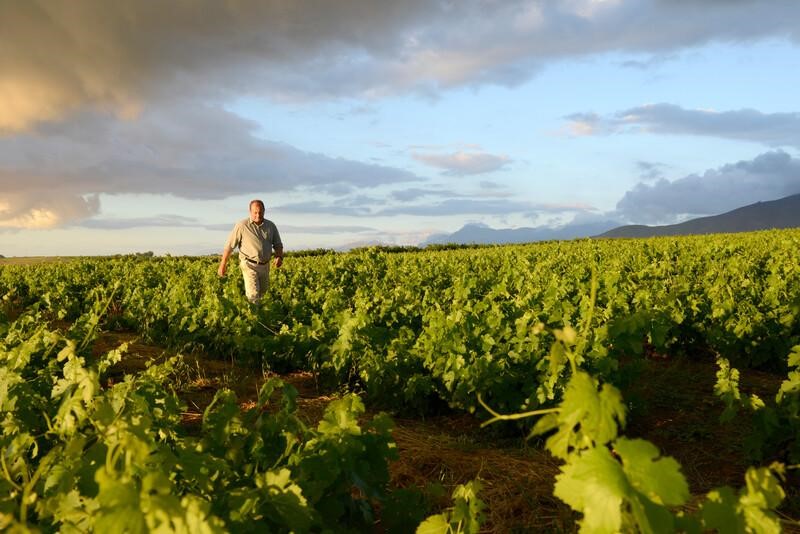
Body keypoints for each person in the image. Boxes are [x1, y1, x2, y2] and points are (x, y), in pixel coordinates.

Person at [218, 199, 284, 303]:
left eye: (260, 212)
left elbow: (278, 245)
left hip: (265, 266)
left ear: (264, 211)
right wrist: (223, 264)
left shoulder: (271, 226)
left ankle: (262, 318)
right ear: (250, 212)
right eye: (255, 212)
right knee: (253, 296)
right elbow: (229, 246)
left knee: (264, 296)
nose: (258, 215)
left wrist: (279, 257)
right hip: (249, 265)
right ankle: (254, 317)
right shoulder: (242, 225)